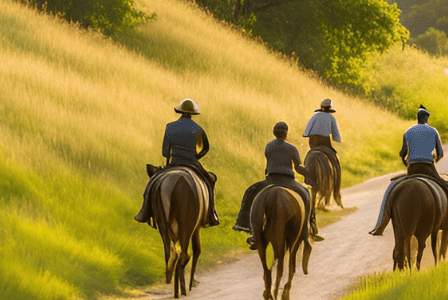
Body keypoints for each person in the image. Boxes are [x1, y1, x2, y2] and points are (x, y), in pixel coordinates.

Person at [369, 105, 448, 240]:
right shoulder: (433, 131)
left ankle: (380, 224)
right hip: (428, 168)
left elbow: (402, 153)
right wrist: (434, 162)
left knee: (390, 189)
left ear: (417, 118)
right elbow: (440, 153)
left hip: (412, 168)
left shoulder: (408, 132)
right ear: (427, 118)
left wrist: (407, 163)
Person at [232, 121, 323, 249]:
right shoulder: (291, 148)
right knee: (306, 195)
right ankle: (305, 230)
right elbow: (297, 167)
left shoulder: (269, 146)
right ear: (286, 134)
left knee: (250, 192)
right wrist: (307, 172)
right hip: (288, 181)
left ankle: (246, 226)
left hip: (270, 180)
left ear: (274, 133)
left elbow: (268, 166)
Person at [134, 99, 219, 226]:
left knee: (152, 182)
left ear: (180, 111)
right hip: (192, 162)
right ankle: (211, 213)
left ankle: (145, 211)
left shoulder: (170, 126)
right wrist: (197, 156)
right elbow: (206, 148)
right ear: (193, 113)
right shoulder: (198, 129)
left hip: (174, 162)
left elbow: (164, 152)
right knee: (210, 180)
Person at [302, 98, 342, 175]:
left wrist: (306, 134)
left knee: (310, 153)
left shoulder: (315, 115)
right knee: (333, 156)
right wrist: (337, 139)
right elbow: (335, 132)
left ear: (321, 107)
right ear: (330, 108)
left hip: (313, 141)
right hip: (325, 141)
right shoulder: (331, 117)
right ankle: (335, 172)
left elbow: (308, 127)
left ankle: (306, 171)